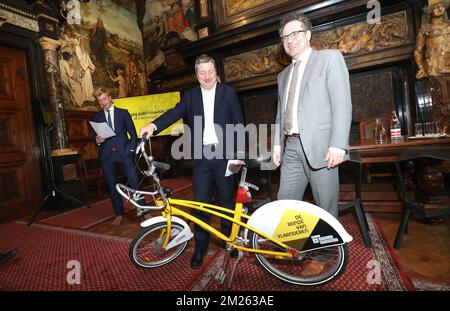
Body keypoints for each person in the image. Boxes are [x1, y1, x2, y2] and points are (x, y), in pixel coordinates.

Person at [140, 54, 244, 269]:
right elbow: (174, 113)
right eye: (202, 72)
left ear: (216, 72)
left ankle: (229, 242)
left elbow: (239, 123)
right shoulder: (190, 96)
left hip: (225, 156)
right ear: (197, 75)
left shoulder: (228, 93)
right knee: (201, 205)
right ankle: (200, 247)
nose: (207, 76)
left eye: (210, 71)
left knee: (226, 202)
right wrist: (153, 126)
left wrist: (239, 153)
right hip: (201, 158)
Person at [272, 12, 352, 276]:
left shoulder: (329, 59)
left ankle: (324, 256)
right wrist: (276, 145)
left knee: (325, 205)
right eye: (285, 36)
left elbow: (342, 103)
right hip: (291, 147)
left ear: (308, 34)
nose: (289, 40)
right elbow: (279, 113)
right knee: (286, 202)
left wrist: (339, 144)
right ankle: (298, 248)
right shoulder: (283, 75)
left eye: (295, 33)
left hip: (321, 146)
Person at [91, 87, 146, 226]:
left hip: (125, 154)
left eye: (104, 99)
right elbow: (94, 136)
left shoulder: (123, 113)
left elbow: (133, 134)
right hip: (106, 157)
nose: (103, 103)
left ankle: (144, 211)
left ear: (109, 97)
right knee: (112, 186)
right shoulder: (97, 117)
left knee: (134, 182)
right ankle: (118, 214)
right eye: (100, 101)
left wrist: (131, 150)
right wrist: (97, 140)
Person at [414, 0, 450, 79]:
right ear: (428, 10)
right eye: (436, 7)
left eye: (442, 6)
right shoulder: (425, 30)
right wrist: (421, 68)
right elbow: (418, 51)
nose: (440, 8)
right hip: (434, 66)